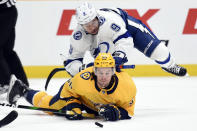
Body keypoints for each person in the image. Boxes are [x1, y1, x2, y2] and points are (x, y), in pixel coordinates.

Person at [63, 2, 187, 77]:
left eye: (93, 22)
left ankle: (170, 65)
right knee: (105, 65)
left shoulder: (110, 21)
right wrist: (81, 69)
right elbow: (71, 61)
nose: (91, 27)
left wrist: (119, 56)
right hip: (106, 40)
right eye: (86, 25)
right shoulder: (78, 36)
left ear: (97, 17)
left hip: (127, 27)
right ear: (80, 25)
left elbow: (125, 40)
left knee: (160, 52)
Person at [7, 53, 137, 121]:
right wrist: (73, 105)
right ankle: (23, 90)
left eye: (107, 73)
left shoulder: (127, 86)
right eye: (100, 72)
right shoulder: (82, 80)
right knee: (49, 106)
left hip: (95, 106)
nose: (103, 77)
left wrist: (117, 113)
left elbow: (129, 110)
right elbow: (67, 91)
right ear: (94, 71)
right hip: (81, 98)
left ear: (113, 72)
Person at [0, 0, 29, 95]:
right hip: (8, 11)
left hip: (4, 13)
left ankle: (6, 83)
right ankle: (21, 83)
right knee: (6, 51)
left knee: (5, 50)